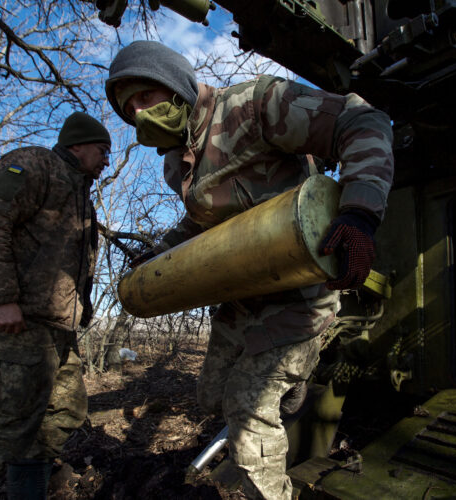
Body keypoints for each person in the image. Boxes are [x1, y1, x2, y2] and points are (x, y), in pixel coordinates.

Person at [105, 40, 394, 500]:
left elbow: (360, 120)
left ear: (172, 84)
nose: (138, 114)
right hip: (243, 298)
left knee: (247, 408)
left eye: (144, 97)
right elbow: (199, 224)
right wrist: (157, 255)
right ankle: (294, 391)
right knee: (211, 395)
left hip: (300, 292)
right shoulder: (174, 164)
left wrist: (359, 212)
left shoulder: (252, 105)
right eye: (128, 109)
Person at [0, 112, 111, 500]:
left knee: (63, 413)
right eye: (102, 150)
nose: (106, 161)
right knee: (7, 428)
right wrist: (1, 298)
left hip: (57, 331)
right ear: (77, 145)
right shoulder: (35, 164)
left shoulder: (80, 194)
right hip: (21, 324)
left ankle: (26, 493)